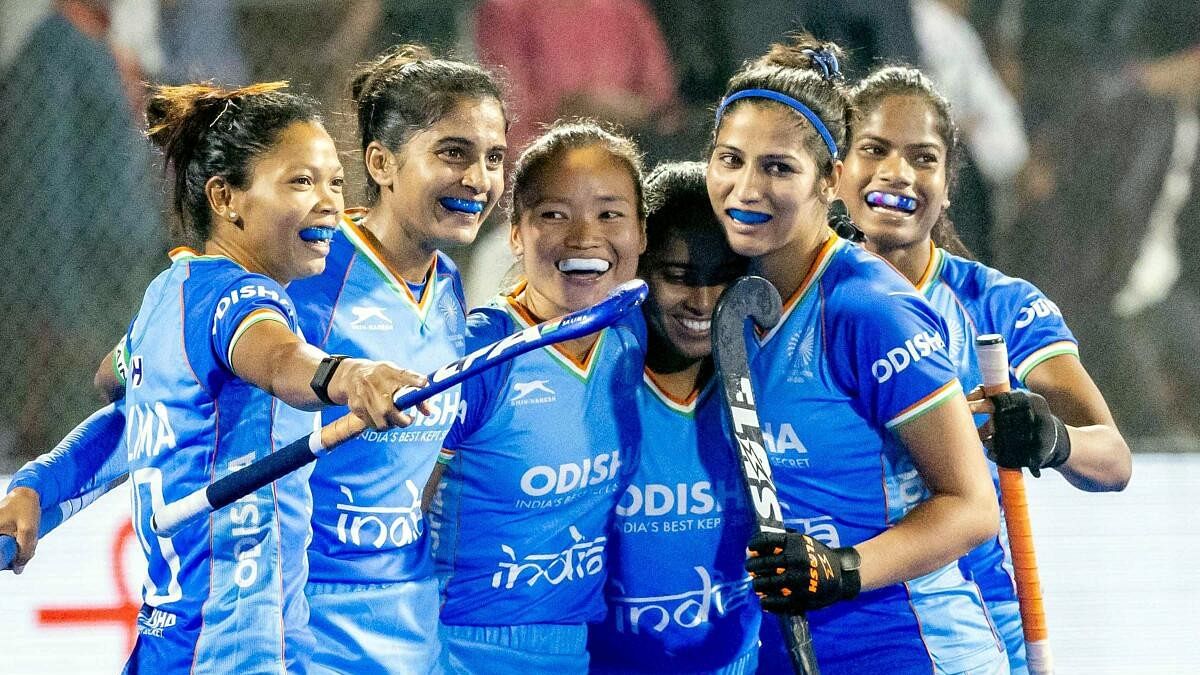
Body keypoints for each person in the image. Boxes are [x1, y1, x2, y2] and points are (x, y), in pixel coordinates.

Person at [1, 81, 429, 671]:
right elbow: (280, 360)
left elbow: (120, 395)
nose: (331, 202)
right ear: (226, 198)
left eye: (334, 181)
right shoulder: (244, 296)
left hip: (167, 647)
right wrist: (346, 374)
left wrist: (34, 487)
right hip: (233, 654)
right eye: (301, 182)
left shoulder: (167, 297)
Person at [704, 35, 1007, 673]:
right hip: (789, 654)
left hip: (910, 649)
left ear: (832, 179)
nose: (745, 188)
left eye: (779, 168)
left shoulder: (868, 308)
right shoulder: (723, 294)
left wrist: (839, 569)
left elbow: (973, 507)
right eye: (729, 159)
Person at [839, 64, 1133, 672]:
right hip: (833, 618)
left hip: (972, 629)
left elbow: (1112, 459)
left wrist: (1052, 439)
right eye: (874, 150)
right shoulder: (795, 299)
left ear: (947, 185)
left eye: (923, 157)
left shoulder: (995, 303)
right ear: (836, 171)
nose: (897, 173)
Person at [287, 44, 507, 674]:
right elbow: (159, 381)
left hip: (411, 623)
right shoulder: (308, 271)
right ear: (381, 162)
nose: (479, 179)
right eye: (453, 153)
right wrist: (41, 485)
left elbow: (426, 461)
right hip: (309, 622)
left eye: (493, 158)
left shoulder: (448, 286)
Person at [426, 121, 647, 674]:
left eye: (609, 213)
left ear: (642, 233)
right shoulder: (476, 354)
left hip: (573, 648)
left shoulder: (632, 337)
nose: (583, 237)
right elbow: (400, 509)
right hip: (457, 650)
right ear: (516, 233)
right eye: (554, 214)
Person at [587, 161, 758, 673]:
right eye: (678, 277)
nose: (703, 302)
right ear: (638, 267)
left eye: (724, 279)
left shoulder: (763, 381)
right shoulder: (594, 380)